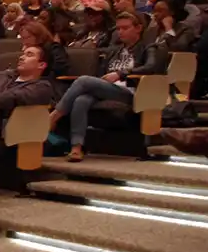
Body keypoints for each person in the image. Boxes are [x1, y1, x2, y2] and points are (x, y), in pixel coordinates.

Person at [49, 12, 167, 162]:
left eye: (125, 28)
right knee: (81, 100)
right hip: (108, 89)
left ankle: (53, 117)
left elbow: (151, 67)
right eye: (118, 28)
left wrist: (121, 73)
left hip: (132, 91)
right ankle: (76, 148)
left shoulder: (149, 47)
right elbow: (101, 74)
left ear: (138, 28)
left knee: (84, 80)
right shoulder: (114, 50)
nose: (120, 32)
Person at [0, 45, 54, 189]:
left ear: (41, 65)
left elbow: (16, 97)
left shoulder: (42, 86)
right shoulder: (1, 76)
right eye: (23, 54)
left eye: (29, 54)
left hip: (6, 129)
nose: (21, 57)